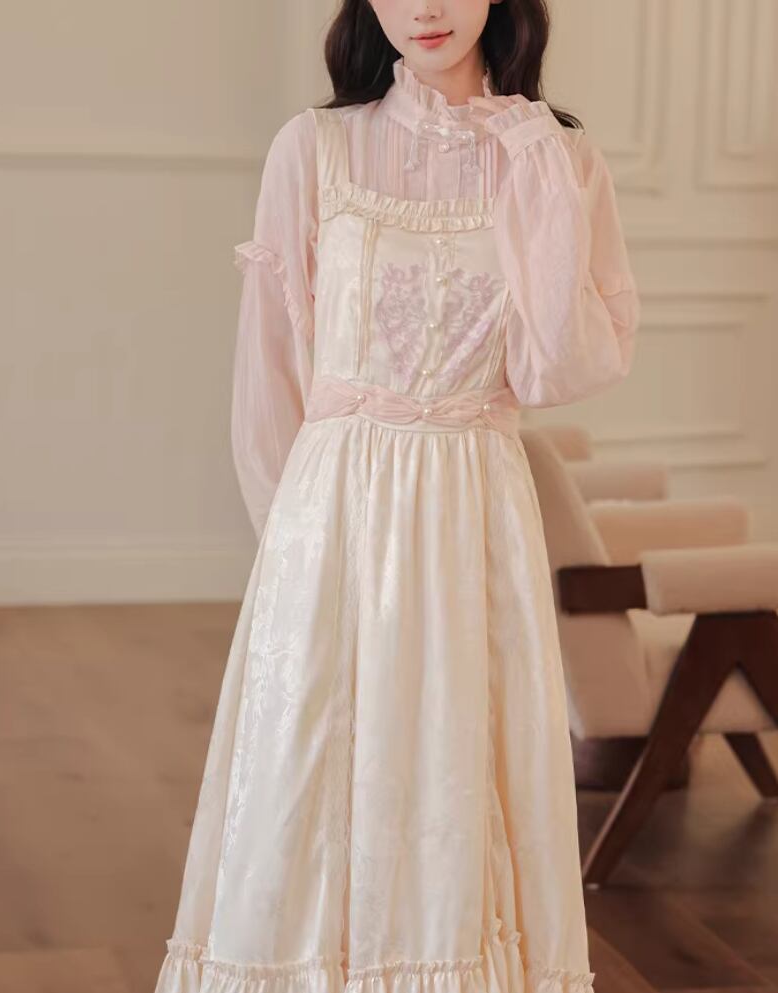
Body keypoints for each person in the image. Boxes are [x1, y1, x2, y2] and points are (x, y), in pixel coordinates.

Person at [153, 1, 640, 991]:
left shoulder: (559, 158)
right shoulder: (313, 148)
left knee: (460, 768)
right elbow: (269, 376)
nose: (424, 7)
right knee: (311, 769)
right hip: (332, 509)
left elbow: (559, 369)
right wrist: (291, 552)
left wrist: (539, 175)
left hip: (475, 505)